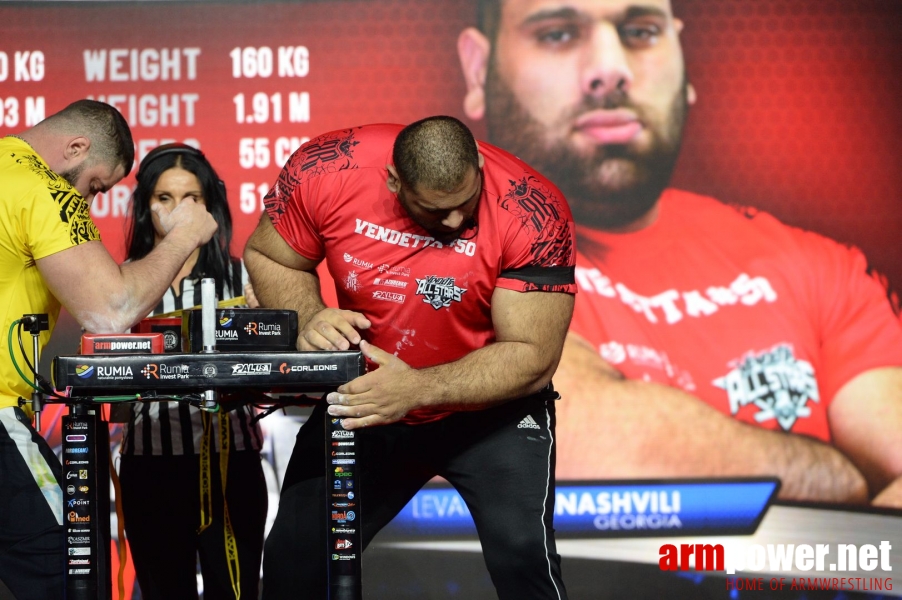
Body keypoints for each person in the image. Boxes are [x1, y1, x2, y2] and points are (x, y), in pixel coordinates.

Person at [457, 0, 902, 507]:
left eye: (641, 31)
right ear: (478, 69)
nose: (611, 70)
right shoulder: (415, 257)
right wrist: (841, 484)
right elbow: (569, 440)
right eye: (558, 34)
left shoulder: (820, 269)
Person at [245, 116, 576, 600]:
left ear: (479, 165)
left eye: (464, 204)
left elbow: (532, 356)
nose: (454, 222)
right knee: (295, 561)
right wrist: (310, 314)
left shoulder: (531, 209)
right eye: (433, 210)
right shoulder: (326, 171)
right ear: (394, 181)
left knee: (522, 555)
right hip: (370, 400)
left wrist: (417, 389)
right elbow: (273, 256)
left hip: (492, 412)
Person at [0, 100, 216, 599]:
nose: (89, 202)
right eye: (94, 186)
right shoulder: (41, 189)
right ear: (76, 148)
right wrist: (182, 236)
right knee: (73, 567)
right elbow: (110, 310)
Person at [117, 144, 267, 600]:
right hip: (150, 468)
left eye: (191, 198)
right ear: (145, 207)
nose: (178, 210)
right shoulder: (118, 283)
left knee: (235, 593)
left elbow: (269, 366)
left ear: (211, 205)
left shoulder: (245, 279)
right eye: (164, 198)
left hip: (231, 463)